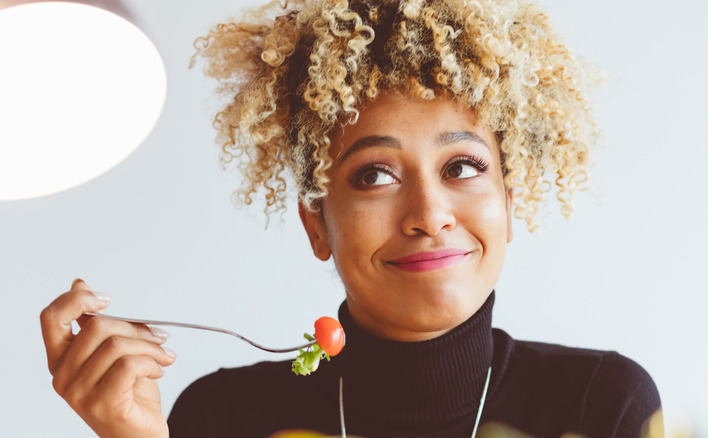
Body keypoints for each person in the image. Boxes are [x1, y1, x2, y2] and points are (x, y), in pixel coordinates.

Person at [40, 0, 663, 437]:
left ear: (509, 197)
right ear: (317, 222)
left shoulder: (600, 406)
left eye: (463, 167)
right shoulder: (222, 418)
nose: (429, 216)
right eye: (375, 175)